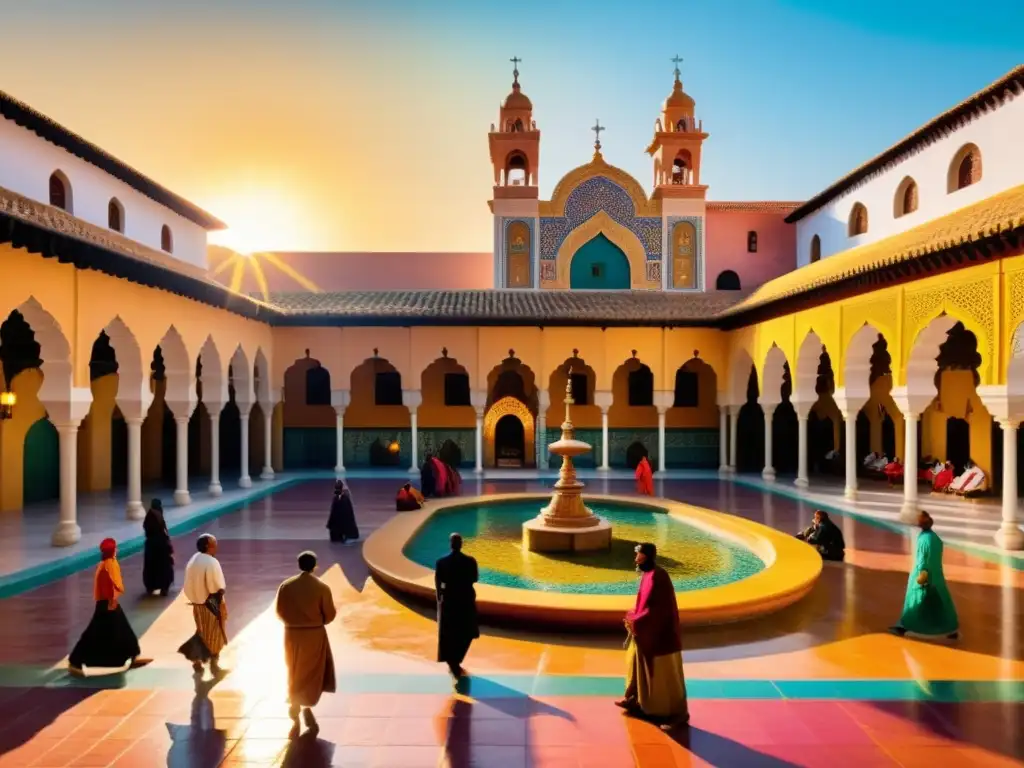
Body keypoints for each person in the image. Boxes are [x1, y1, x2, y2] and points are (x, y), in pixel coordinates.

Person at [616, 543, 688, 730]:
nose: (636, 559)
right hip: (645, 631)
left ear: (646, 556)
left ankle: (673, 714)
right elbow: (644, 605)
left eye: (638, 555)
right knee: (635, 663)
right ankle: (637, 701)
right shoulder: (648, 575)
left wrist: (636, 621)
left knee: (663, 677)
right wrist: (633, 616)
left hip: (661, 636)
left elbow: (660, 609)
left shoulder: (658, 576)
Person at [276, 551, 337, 740]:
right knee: (311, 670)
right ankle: (307, 705)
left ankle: (294, 699)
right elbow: (330, 615)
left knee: (292, 668)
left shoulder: (286, 586)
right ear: (315, 565)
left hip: (291, 634)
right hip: (313, 634)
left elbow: (279, 611)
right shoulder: (321, 587)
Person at [68, 539, 151, 676]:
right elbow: (111, 584)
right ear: (112, 551)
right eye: (115, 549)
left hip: (107, 602)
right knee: (94, 633)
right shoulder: (109, 565)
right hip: (107, 603)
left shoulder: (104, 564)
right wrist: (112, 600)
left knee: (123, 629)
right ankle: (75, 661)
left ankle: (133, 655)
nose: (116, 550)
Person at [890, 511, 959, 640]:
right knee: (940, 601)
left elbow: (922, 560)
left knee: (916, 601)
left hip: (924, 574)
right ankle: (950, 628)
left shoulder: (923, 539)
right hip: (936, 574)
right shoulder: (934, 537)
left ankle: (906, 626)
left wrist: (921, 576)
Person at [179, 534, 228, 676]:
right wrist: (220, 605)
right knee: (215, 633)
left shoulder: (193, 560)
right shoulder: (211, 563)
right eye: (214, 544)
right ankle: (214, 664)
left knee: (201, 631)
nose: (216, 546)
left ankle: (196, 660)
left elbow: (188, 584)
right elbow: (216, 587)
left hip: (197, 604)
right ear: (208, 546)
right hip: (210, 603)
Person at [435, 533, 479, 680]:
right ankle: (457, 659)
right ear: (461, 544)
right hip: (465, 598)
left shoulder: (441, 562)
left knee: (449, 631)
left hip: (449, 600)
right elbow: (475, 578)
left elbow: (438, 585)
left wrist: (440, 599)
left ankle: (452, 660)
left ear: (450, 544)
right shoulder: (471, 561)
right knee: (466, 630)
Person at [142, 498, 174, 596]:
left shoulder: (149, 516)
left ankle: (151, 586)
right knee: (163, 566)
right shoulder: (159, 515)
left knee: (151, 567)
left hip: (151, 546)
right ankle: (164, 587)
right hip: (161, 546)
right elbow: (163, 531)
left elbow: (147, 529)